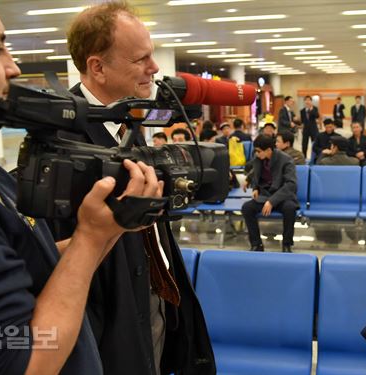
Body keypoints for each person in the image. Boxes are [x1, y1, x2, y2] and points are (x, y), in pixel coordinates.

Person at [0, 1, 165, 374]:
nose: (12, 66)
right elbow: (26, 359)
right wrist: (87, 239)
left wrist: (110, 227)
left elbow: (37, 271)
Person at [65, 3, 215, 374]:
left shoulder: (129, 122)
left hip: (154, 303)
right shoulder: (62, 144)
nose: (155, 67)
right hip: (106, 330)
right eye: (141, 59)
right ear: (97, 67)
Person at [241, 135, 298, 253]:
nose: (256, 154)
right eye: (255, 151)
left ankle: (287, 244)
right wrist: (253, 184)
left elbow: (291, 184)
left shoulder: (286, 160)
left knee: (290, 208)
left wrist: (272, 201)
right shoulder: (259, 158)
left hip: (282, 196)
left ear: (268, 150)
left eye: (258, 151)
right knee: (247, 208)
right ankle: (256, 244)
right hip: (265, 195)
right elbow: (256, 173)